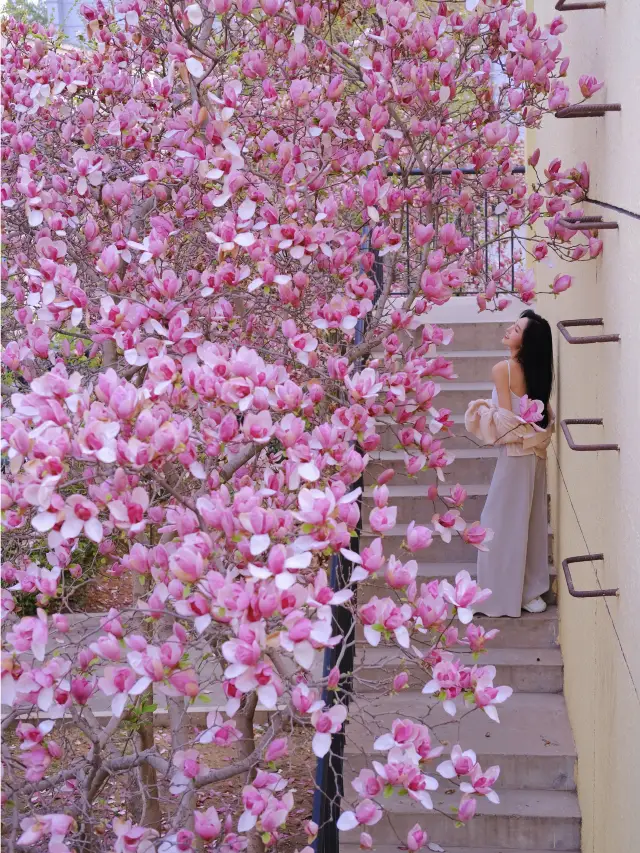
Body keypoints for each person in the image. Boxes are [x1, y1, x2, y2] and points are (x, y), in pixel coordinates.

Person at [464, 309, 555, 618]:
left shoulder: (502, 368)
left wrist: (482, 414)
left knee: (498, 523)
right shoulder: (539, 372)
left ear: (525, 342)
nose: (508, 330)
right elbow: (536, 415)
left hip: (516, 456)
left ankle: (498, 595)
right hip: (534, 454)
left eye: (515, 330)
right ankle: (530, 592)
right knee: (529, 521)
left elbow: (505, 423)